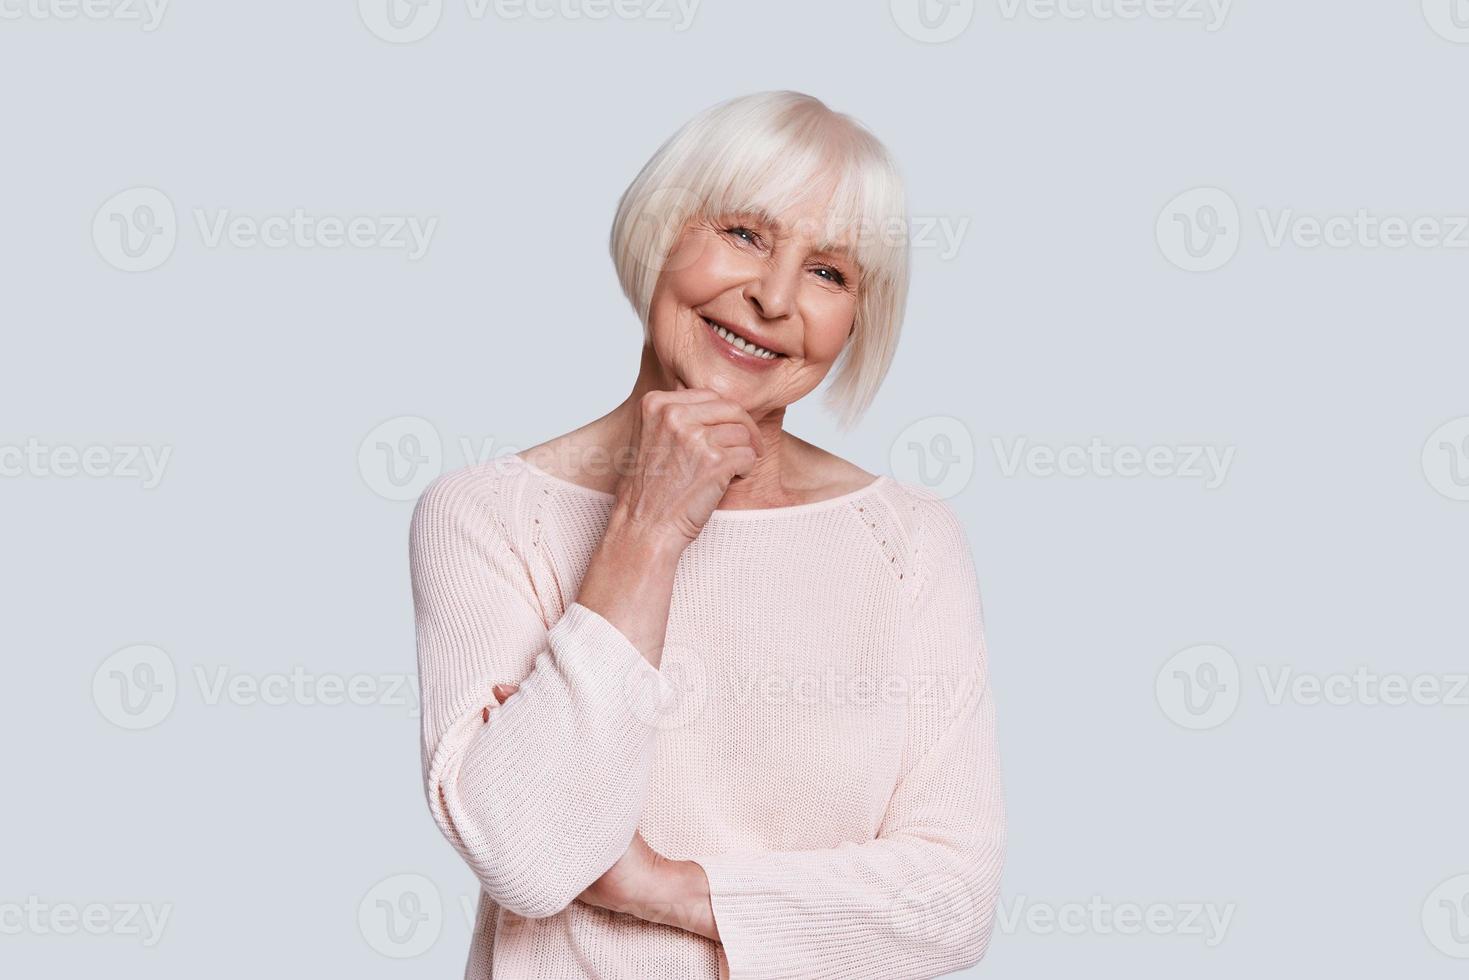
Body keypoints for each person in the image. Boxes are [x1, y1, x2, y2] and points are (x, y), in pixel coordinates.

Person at [410, 89, 1005, 979]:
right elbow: (530, 858)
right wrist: (648, 528)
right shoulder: (488, 517)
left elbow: (951, 904)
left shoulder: (907, 541)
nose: (771, 298)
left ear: (856, 320)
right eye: (745, 234)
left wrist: (659, 884)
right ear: (660, 230)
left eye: (829, 272)